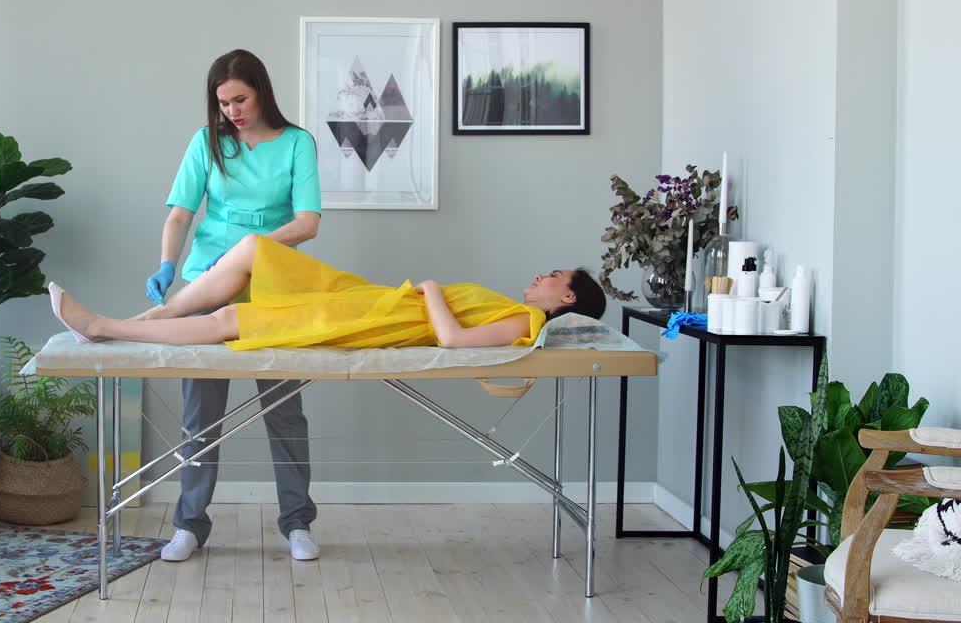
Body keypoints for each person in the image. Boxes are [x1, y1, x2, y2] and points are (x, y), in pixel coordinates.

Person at [141, 49, 323, 563]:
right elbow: (180, 215)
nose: (231, 111)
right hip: (206, 285)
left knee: (286, 415)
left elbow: (308, 222)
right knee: (200, 416)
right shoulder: (208, 143)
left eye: (239, 99)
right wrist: (167, 264)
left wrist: (252, 248)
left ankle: (297, 523)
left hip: (271, 288)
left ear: (261, 91)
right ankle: (189, 526)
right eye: (223, 103)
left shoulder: (296, 144)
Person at [51, 234, 607, 352]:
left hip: (377, 320)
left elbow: (453, 340)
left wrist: (432, 288)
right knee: (252, 251)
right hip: (373, 298)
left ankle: (105, 327)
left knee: (233, 321)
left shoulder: (526, 325)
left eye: (554, 275)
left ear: (570, 298)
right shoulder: (517, 311)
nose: (542, 275)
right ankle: (148, 317)